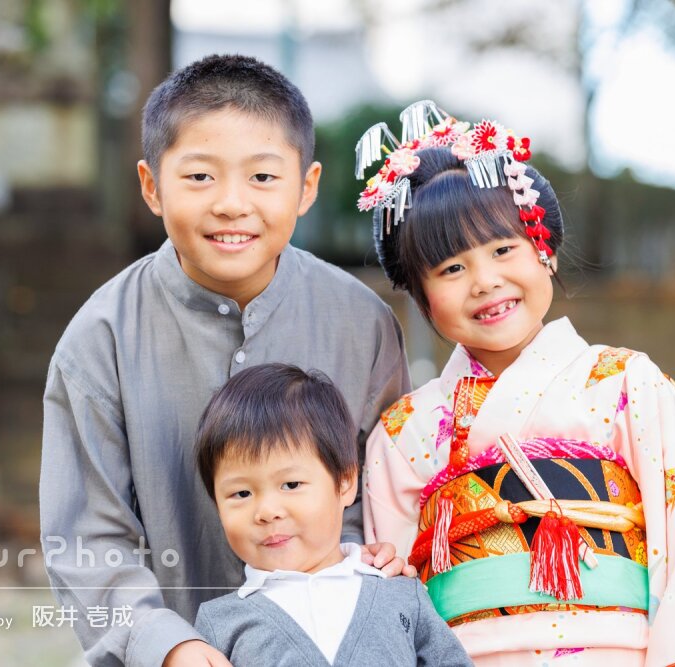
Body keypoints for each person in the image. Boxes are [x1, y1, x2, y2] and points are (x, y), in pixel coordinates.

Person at [40, 54, 412, 667]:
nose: (232, 204)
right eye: (200, 177)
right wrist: (165, 643)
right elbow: (87, 540)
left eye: (263, 178)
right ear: (152, 187)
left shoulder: (362, 323)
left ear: (307, 187)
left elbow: (386, 497)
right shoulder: (99, 339)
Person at [357, 102, 675, 666]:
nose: (486, 281)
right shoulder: (403, 433)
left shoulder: (627, 384)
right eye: (451, 269)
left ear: (544, 249)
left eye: (502, 249)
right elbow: (393, 593)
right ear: (420, 297)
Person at [192, 363, 472, 666]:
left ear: (345, 483)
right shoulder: (218, 627)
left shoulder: (399, 593)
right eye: (241, 494)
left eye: (291, 484)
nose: (267, 512)